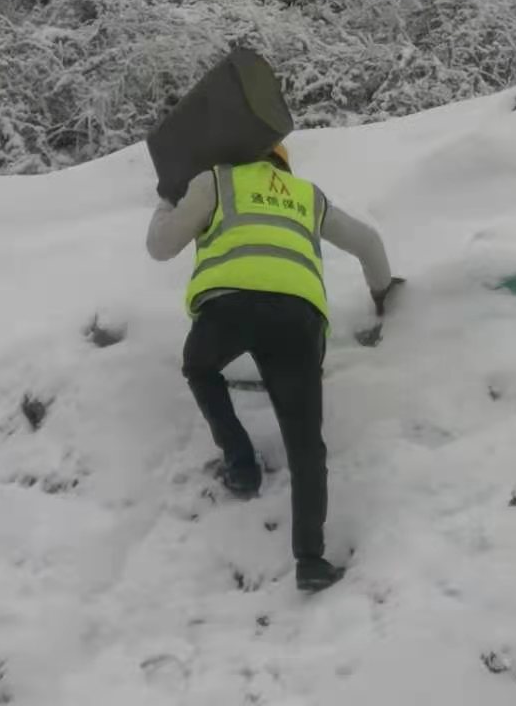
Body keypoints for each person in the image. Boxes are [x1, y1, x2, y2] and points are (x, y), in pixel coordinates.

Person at [147, 140, 402, 593]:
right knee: (305, 444)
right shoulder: (306, 194)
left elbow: (161, 247)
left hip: (228, 308)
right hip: (297, 319)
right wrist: (383, 293)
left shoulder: (216, 181)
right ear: (283, 161)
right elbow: (368, 241)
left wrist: (169, 198)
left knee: (200, 367)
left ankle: (241, 463)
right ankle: (311, 559)